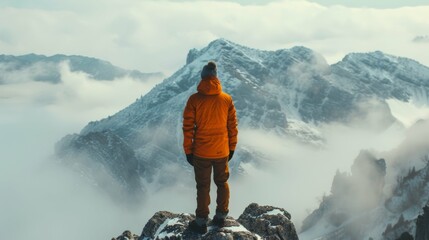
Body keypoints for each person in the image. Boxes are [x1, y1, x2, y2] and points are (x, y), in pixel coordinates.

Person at [182, 61, 238, 234]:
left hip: (201, 152)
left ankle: (200, 222)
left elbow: (188, 127)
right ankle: (221, 217)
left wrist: (188, 150)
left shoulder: (194, 99)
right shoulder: (226, 99)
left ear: (202, 77)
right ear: (216, 77)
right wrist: (232, 147)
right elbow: (232, 126)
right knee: (222, 183)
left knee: (203, 186)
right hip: (222, 150)